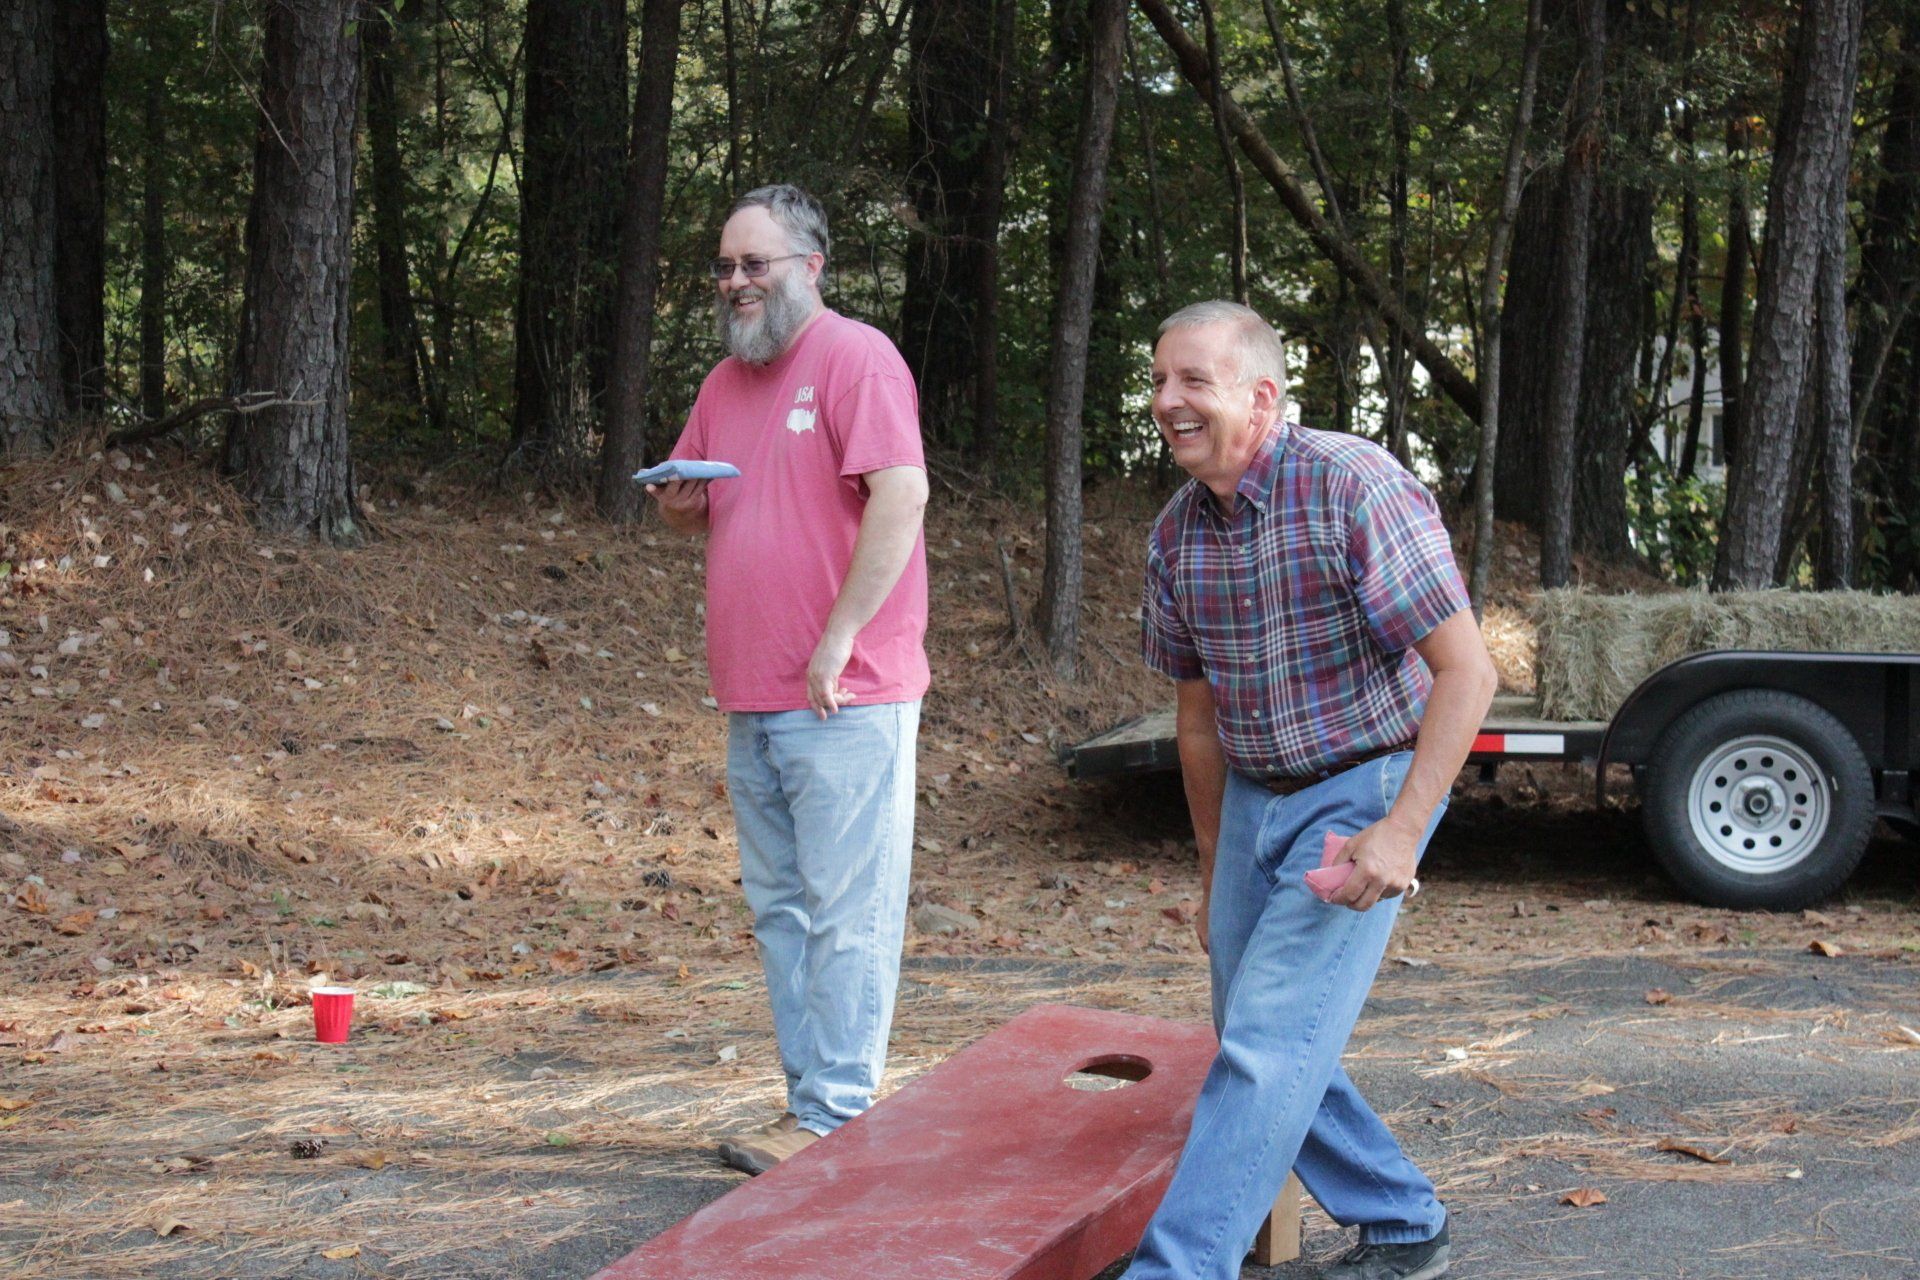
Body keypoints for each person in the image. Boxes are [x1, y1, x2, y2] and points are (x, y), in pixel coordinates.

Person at [1122, 301, 1496, 1280]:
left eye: (1193, 380)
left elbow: (1469, 672)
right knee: (1258, 1031)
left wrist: (1401, 829)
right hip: (1256, 791)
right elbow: (1197, 720)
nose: (1167, 400)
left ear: (1261, 397)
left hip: (1365, 783)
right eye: (1158, 380)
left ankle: (1177, 1267)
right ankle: (1403, 1220)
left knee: (1266, 1042)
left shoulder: (1352, 486)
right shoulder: (1176, 535)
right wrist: (1215, 866)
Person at [647, 184, 930, 1177]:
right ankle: (810, 1106)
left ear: (811, 266)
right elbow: (696, 499)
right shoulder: (726, 382)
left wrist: (840, 634)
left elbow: (903, 495)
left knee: (849, 911)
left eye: (754, 263)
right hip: (752, 692)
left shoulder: (856, 357)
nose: (735, 280)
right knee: (783, 912)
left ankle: (835, 1112)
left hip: (846, 692)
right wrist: (679, 506)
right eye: (725, 265)